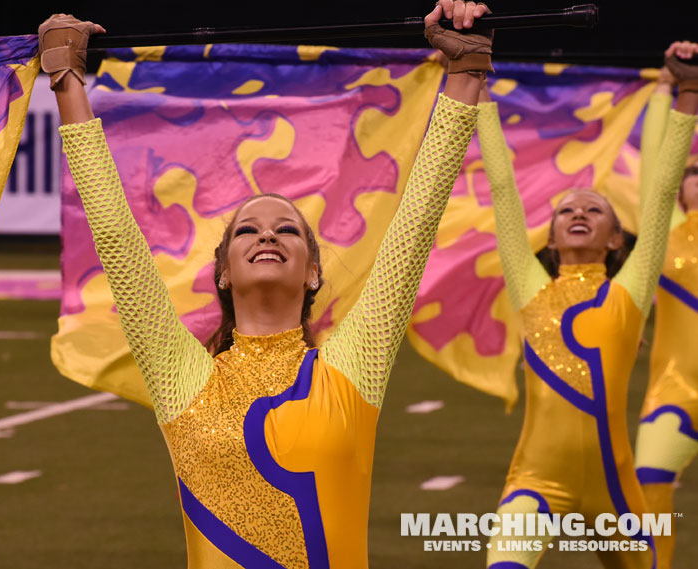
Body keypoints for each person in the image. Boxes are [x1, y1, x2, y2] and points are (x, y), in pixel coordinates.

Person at [39, 1, 490, 566]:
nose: (267, 234)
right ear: (224, 271)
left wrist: (467, 71)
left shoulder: (353, 366)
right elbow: (117, 242)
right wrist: (65, 80)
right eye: (247, 229)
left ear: (313, 271)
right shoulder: (182, 375)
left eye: (287, 229)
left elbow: (415, 226)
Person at [477, 43, 698, 569]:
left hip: (615, 490)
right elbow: (503, 189)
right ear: (549, 236)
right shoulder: (531, 285)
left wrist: (688, 91)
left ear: (616, 238)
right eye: (566, 209)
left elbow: (663, 185)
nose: (578, 212)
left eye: (594, 209)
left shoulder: (630, 290)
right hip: (535, 484)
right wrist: (476, 90)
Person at [634, 41, 698, 569]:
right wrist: (664, 88)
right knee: (647, 485)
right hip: (679, 390)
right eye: (691, 176)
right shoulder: (671, 234)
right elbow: (657, 168)